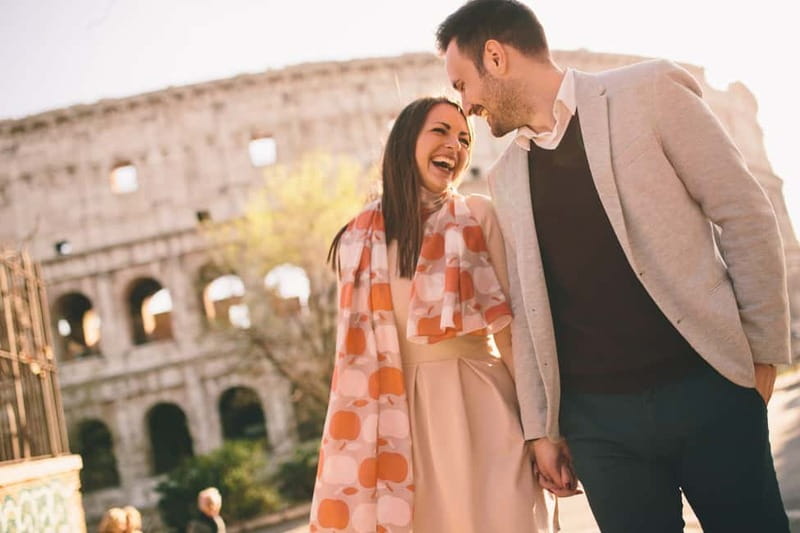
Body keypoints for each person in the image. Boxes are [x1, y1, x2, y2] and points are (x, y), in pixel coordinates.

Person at [436, 1, 792, 531]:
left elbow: (744, 213)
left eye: (463, 84)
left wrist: (761, 357)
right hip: (598, 427)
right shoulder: (505, 176)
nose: (465, 105)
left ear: (495, 56)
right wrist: (543, 428)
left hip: (708, 390)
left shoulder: (648, 91)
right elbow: (529, 310)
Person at [309, 96, 562, 532]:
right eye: (441, 131)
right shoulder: (356, 239)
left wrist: (543, 432)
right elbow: (353, 356)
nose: (455, 146)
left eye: (464, 139)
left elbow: (512, 334)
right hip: (399, 428)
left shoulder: (478, 215)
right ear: (405, 141)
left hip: (488, 410)